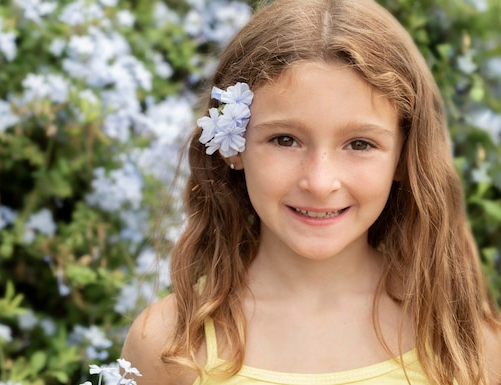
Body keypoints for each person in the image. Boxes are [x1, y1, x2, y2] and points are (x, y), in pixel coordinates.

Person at [121, 0, 501, 384]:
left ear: (404, 157)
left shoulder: (464, 341)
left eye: (359, 144)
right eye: (285, 140)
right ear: (232, 146)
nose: (320, 183)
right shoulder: (167, 344)